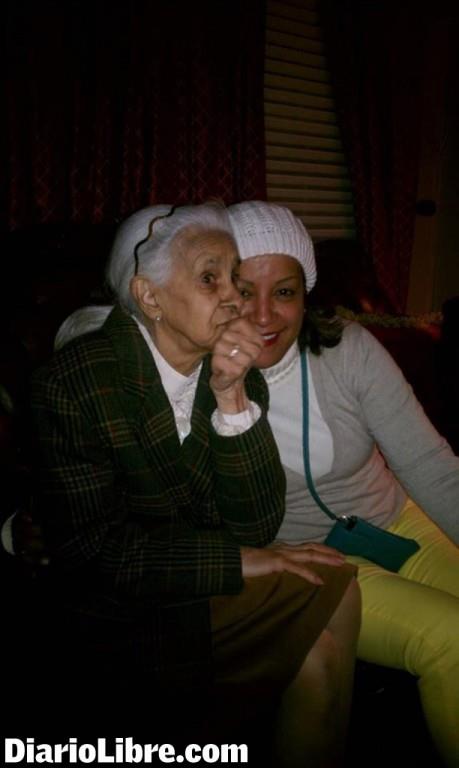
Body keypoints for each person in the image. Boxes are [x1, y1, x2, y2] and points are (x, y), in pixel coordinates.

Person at [28, 202, 359, 765]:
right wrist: (236, 561)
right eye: (211, 279)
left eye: (234, 277)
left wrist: (231, 395)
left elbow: (258, 523)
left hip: (201, 586)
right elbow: (90, 552)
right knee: (315, 644)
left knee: (336, 582)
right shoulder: (76, 384)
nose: (235, 299)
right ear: (150, 297)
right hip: (124, 612)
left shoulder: (231, 370)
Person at [225, 200, 459, 768]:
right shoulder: (196, 382)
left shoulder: (346, 349)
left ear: (306, 294)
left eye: (284, 291)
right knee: (452, 638)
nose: (264, 315)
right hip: (315, 561)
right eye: (243, 291)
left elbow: (429, 463)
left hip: (397, 519)